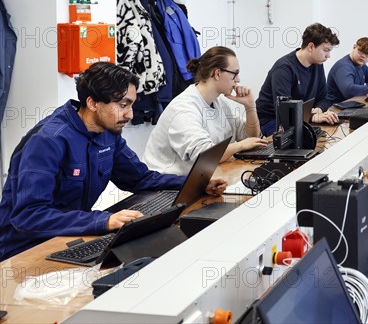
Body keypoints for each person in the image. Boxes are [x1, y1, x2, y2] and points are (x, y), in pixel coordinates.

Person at [0, 62, 227, 261]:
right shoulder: (49, 141)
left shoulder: (107, 132)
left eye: (132, 105)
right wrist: (103, 221)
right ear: (92, 103)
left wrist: (194, 184)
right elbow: (29, 216)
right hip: (23, 251)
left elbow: (140, 178)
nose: (129, 114)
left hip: (66, 238)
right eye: (123, 104)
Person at [143, 47, 267, 172]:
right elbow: (205, 156)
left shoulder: (219, 102)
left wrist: (250, 106)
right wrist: (239, 146)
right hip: (166, 185)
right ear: (217, 73)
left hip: (201, 175)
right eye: (235, 73)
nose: (238, 79)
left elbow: (250, 137)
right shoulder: (183, 109)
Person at [256, 23, 340, 136]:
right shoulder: (284, 68)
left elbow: (324, 97)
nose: (328, 55)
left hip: (302, 118)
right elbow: (284, 111)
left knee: (323, 136)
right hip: (272, 120)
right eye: (326, 50)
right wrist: (312, 117)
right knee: (308, 142)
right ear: (311, 47)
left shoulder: (317, 64)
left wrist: (319, 109)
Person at [326, 37, 368, 104]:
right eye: (361, 52)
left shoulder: (361, 65)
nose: (363, 56)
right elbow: (349, 91)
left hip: (350, 105)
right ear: (354, 47)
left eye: (367, 55)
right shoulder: (344, 67)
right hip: (335, 108)